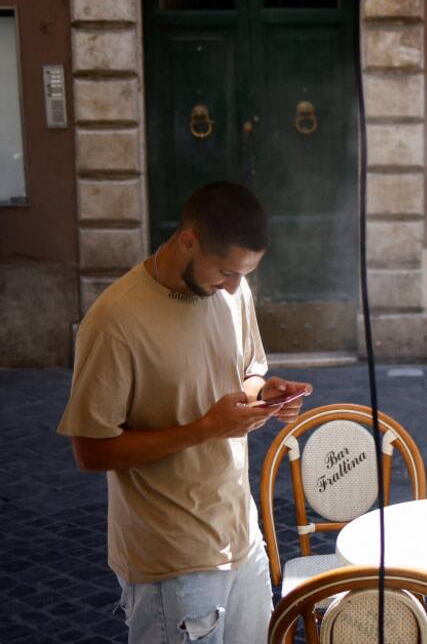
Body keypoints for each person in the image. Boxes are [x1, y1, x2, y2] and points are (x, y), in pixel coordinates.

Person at [57, 181, 314, 643]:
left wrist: (265, 394)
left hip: (240, 535)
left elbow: (246, 373)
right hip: (169, 559)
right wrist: (203, 429)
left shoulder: (235, 292)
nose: (234, 286)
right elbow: (90, 452)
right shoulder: (114, 321)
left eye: (245, 273)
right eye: (226, 271)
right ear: (188, 240)